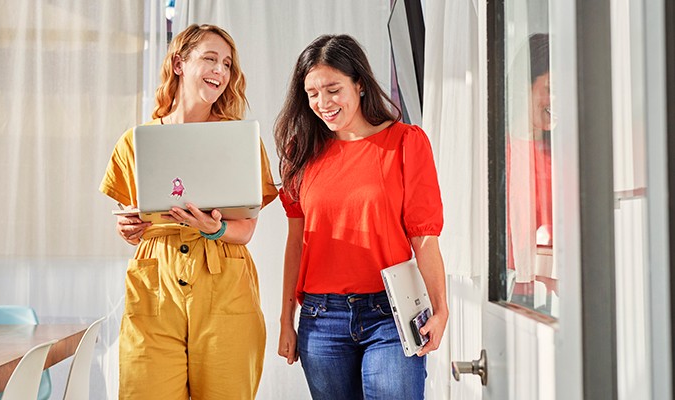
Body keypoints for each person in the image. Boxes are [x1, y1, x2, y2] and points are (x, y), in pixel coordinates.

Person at [99, 24, 278, 399]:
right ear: (179, 64)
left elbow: (246, 229)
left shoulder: (241, 140)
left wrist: (214, 229)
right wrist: (127, 229)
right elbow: (130, 219)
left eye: (226, 64)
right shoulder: (135, 142)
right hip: (156, 282)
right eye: (210, 59)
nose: (220, 71)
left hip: (224, 282)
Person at [274, 34, 448, 400]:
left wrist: (441, 308)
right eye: (312, 93)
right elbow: (296, 243)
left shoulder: (405, 142)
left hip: (390, 315)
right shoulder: (301, 152)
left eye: (333, 89)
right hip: (321, 318)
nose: (323, 103)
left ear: (360, 84)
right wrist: (285, 320)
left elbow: (424, 236)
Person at [506, 33, 557, 311]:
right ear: (524, 86)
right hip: (511, 298)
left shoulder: (561, 153)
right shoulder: (497, 154)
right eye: (550, 87)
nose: (557, 98)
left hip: (557, 299)